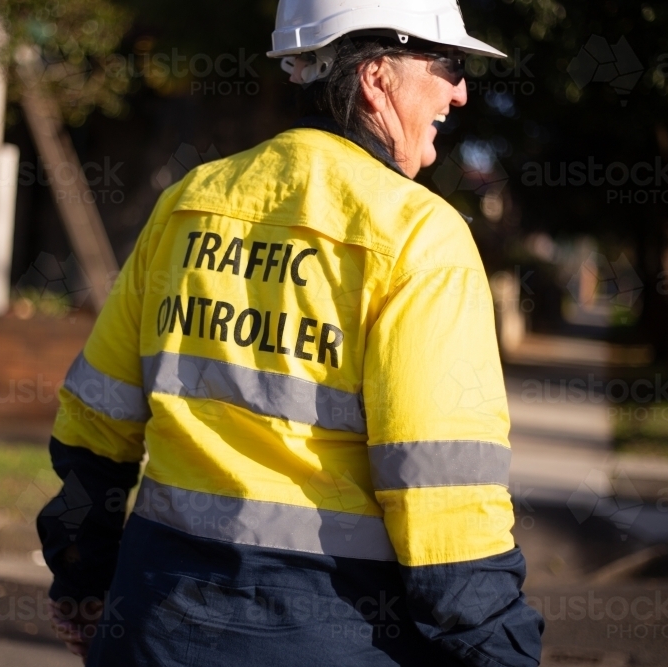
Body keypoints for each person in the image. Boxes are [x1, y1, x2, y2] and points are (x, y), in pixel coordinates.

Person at [38, 0, 545, 665]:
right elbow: (444, 503)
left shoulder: (189, 204)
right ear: (377, 76)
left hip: (155, 627)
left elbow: (93, 431)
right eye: (446, 63)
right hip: (332, 637)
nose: (460, 89)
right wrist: (500, 653)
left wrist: (82, 582)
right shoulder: (421, 239)